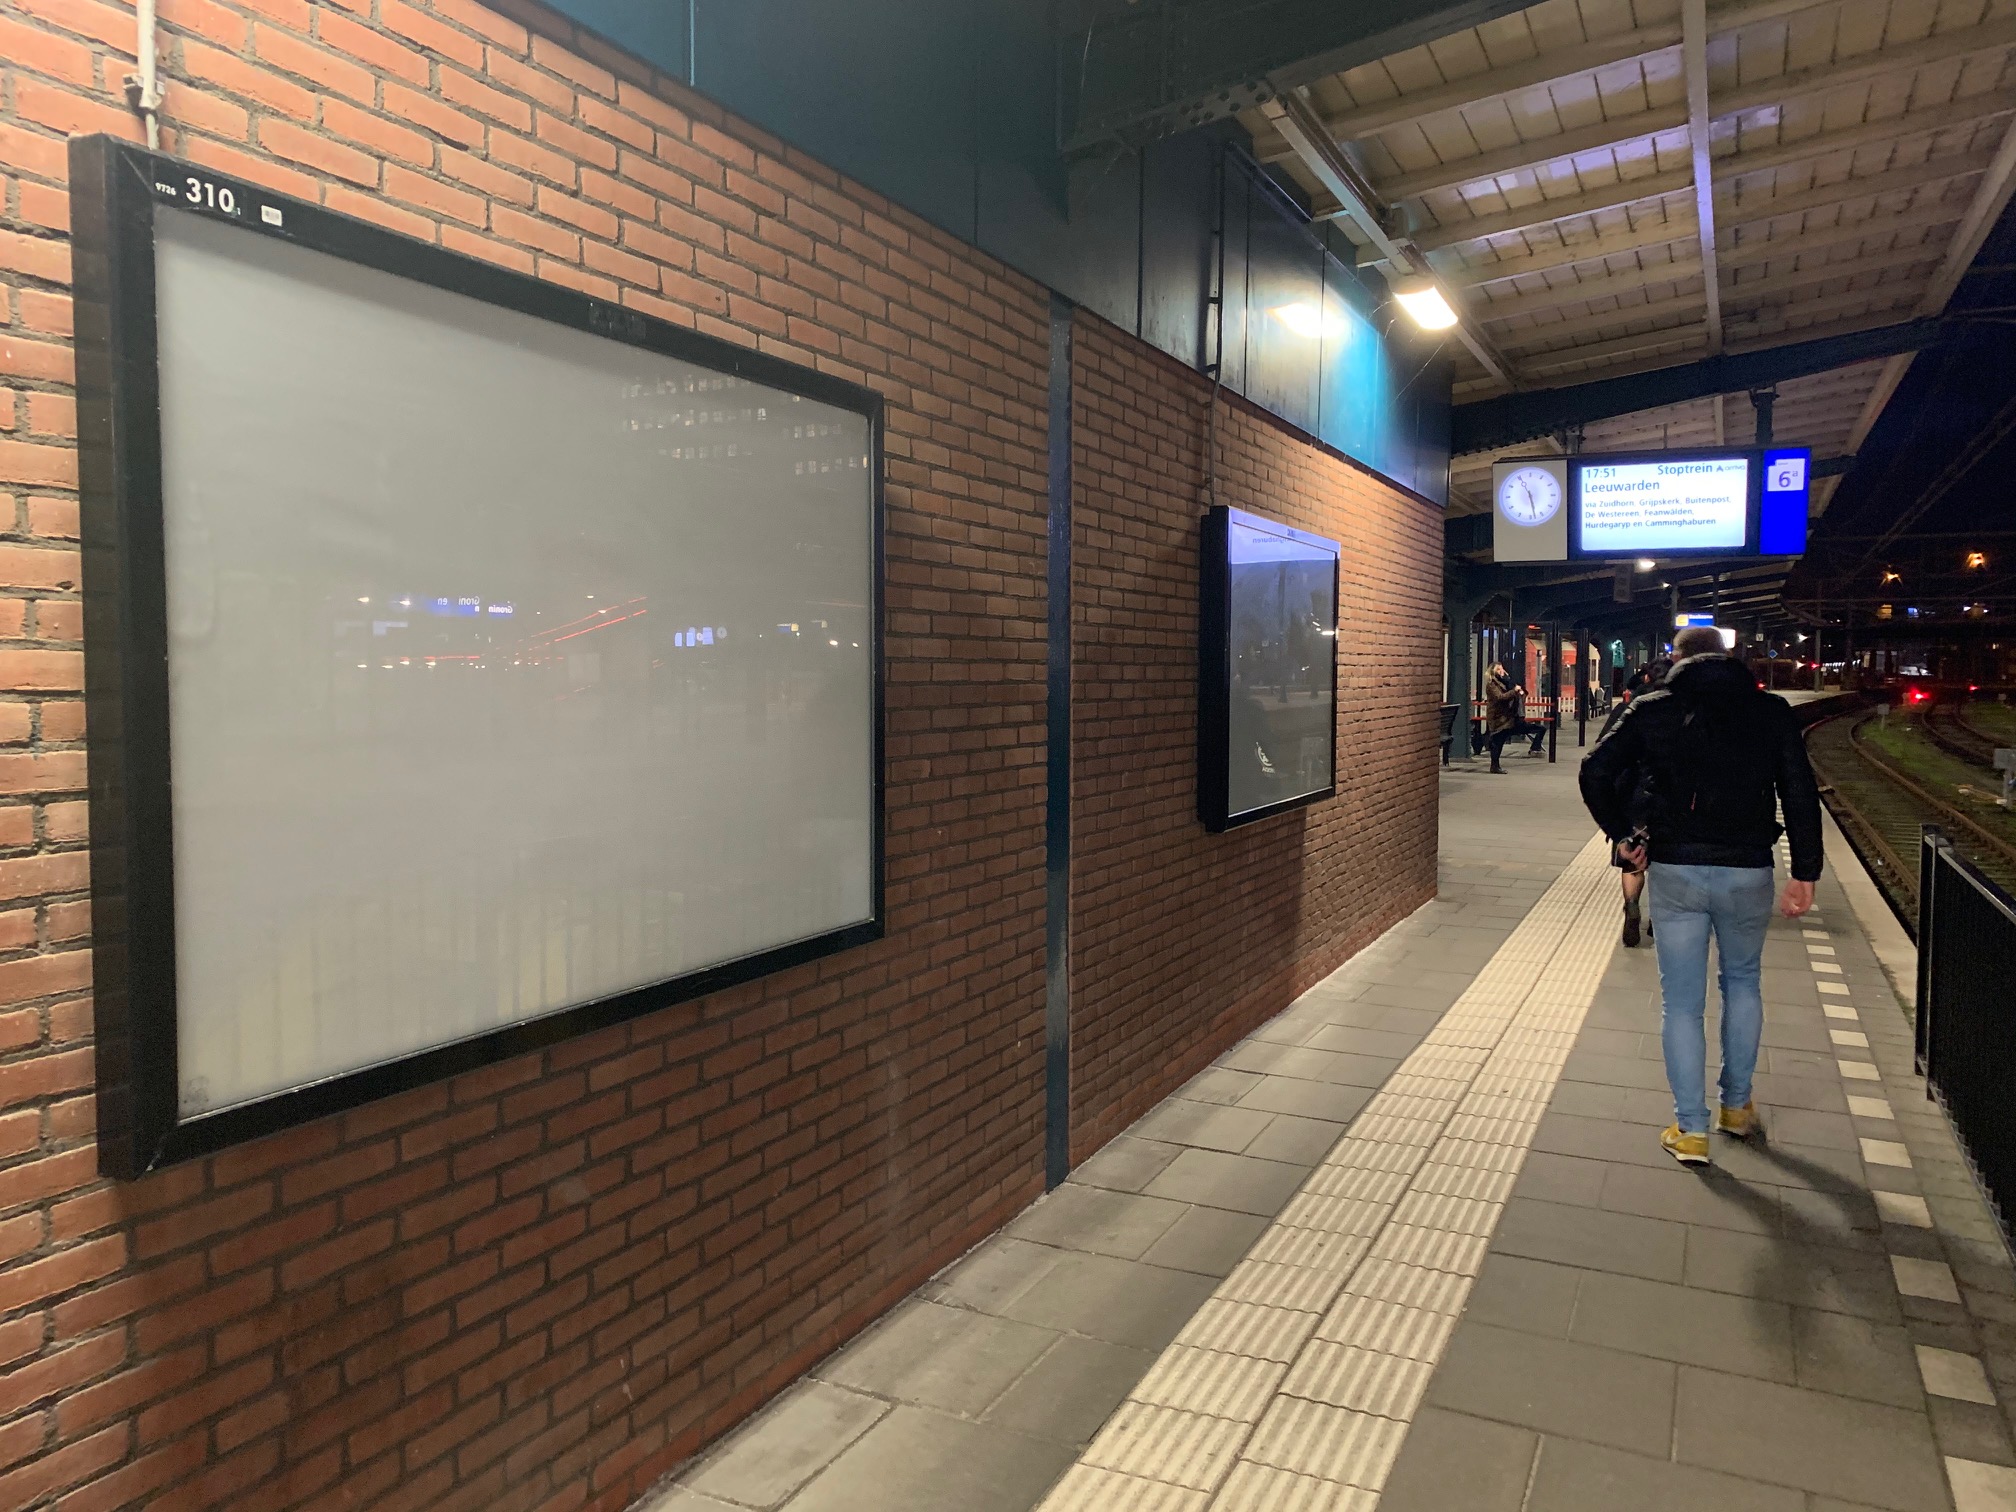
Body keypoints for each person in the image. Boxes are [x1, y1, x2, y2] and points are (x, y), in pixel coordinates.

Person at [1577, 625, 1823, 1168]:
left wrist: (1622, 834)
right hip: (1748, 869)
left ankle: (1690, 1130)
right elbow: (1799, 789)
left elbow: (1595, 770)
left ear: (1677, 658)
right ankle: (1736, 1107)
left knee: (1682, 1004)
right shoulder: (1771, 711)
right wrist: (1806, 870)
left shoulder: (1653, 708)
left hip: (1677, 869)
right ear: (1727, 656)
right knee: (1743, 983)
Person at [1595, 654, 1671, 947]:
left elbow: (1602, 751)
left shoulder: (1628, 709)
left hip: (1632, 798)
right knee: (1664, 863)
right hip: (1669, 800)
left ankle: (1631, 906)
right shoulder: (1682, 709)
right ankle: (1657, 920)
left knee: (1632, 862)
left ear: (1646, 678)